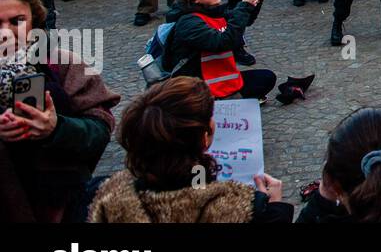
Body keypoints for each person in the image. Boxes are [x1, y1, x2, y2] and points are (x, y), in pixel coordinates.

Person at [0, 0, 120, 222]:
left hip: (62, 204)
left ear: (34, 21)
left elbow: (99, 127)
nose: (6, 33)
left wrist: (56, 128)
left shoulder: (61, 62)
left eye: (17, 21)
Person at [88, 77, 290, 223]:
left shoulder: (102, 195)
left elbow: (195, 189)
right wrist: (274, 210)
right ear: (204, 138)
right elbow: (194, 195)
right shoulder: (246, 207)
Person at [163, 0, 276, 100]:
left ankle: (228, 101)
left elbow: (242, 20)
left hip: (212, 78)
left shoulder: (209, 10)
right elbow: (225, 42)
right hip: (194, 87)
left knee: (265, 78)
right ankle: (223, 104)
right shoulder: (188, 23)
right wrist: (244, 8)